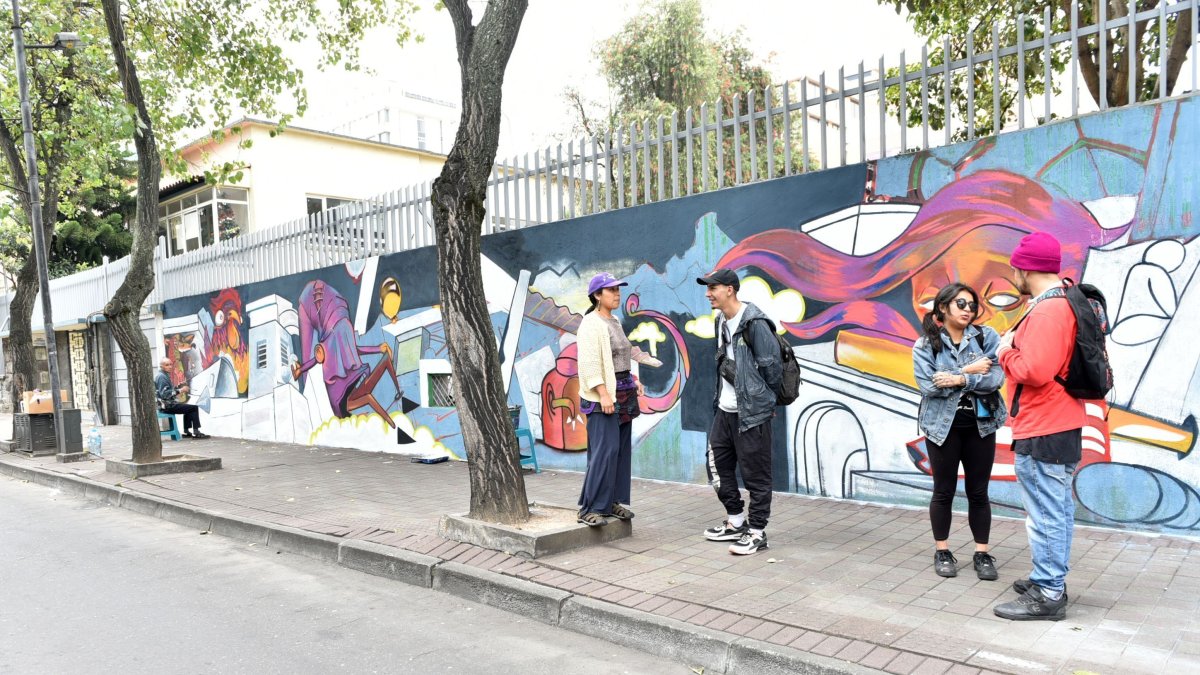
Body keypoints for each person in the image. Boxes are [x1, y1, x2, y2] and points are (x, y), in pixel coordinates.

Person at [993, 232, 1087, 621]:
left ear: (1024, 268)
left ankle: (1048, 593)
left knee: (1046, 512)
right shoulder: (1059, 303)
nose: (1013, 274)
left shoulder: (1049, 311)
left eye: (1014, 267)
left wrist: (1004, 350)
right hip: (1057, 421)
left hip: (1045, 425)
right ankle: (1047, 578)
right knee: (1056, 509)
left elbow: (1034, 370)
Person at [912, 283, 1008, 580]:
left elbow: (996, 378)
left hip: (980, 426)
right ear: (942, 308)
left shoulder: (986, 337)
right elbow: (928, 385)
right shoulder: (925, 345)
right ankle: (942, 550)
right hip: (942, 428)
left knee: (978, 492)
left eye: (971, 305)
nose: (968, 310)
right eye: (960, 304)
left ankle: (982, 553)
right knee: (944, 491)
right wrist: (968, 372)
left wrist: (955, 380)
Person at [697, 269, 783, 555]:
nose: (708, 293)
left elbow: (773, 370)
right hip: (725, 409)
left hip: (752, 413)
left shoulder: (755, 323)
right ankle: (736, 521)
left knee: (756, 474)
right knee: (718, 465)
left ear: (730, 289)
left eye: (713, 288)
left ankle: (757, 532)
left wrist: (759, 400)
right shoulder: (721, 320)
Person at [575, 272, 653, 526]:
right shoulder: (590, 323)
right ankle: (589, 508)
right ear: (597, 295)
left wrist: (634, 381)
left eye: (618, 290)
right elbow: (590, 363)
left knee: (619, 450)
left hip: (624, 391)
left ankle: (611, 503)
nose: (617, 294)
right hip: (603, 396)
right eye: (611, 290)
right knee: (604, 450)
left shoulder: (615, 320)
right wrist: (604, 394)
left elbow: (620, 357)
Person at [155, 358, 209, 439]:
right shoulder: (162, 377)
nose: (170, 367)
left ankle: (187, 432)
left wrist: (178, 387)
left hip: (167, 405)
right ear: (161, 366)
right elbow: (165, 394)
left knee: (188, 408)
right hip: (168, 406)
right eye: (167, 365)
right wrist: (181, 390)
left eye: (170, 364)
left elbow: (167, 390)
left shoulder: (163, 375)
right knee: (194, 408)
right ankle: (196, 432)